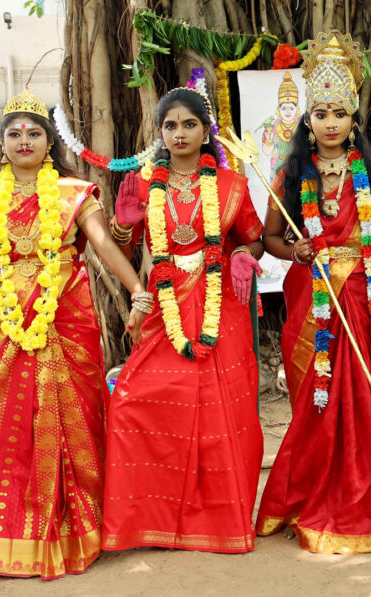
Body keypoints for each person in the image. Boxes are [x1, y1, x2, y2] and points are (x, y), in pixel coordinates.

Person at [0, 88, 148, 578]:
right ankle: (8, 536)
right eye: (14, 133)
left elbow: (104, 244)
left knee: (75, 422)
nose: (24, 140)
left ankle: (76, 532)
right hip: (1, 324)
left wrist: (138, 292)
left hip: (65, 317)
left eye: (34, 133)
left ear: (49, 143)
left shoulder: (72, 191)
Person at [256, 31, 371, 554]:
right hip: (312, 300)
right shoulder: (290, 173)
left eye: (339, 113)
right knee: (316, 405)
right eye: (320, 113)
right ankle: (307, 497)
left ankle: (360, 501)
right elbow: (270, 238)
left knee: (366, 401)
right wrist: (296, 254)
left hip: (364, 303)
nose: (329, 123)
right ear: (308, 120)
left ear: (353, 120)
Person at [100, 87, 266, 553]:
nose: (179, 134)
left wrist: (241, 257)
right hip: (164, 305)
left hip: (220, 308)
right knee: (133, 400)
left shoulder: (231, 186)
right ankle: (149, 520)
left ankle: (219, 524)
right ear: (159, 132)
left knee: (222, 412)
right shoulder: (142, 183)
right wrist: (123, 222)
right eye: (169, 126)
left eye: (188, 124)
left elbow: (253, 239)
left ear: (205, 130)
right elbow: (126, 244)